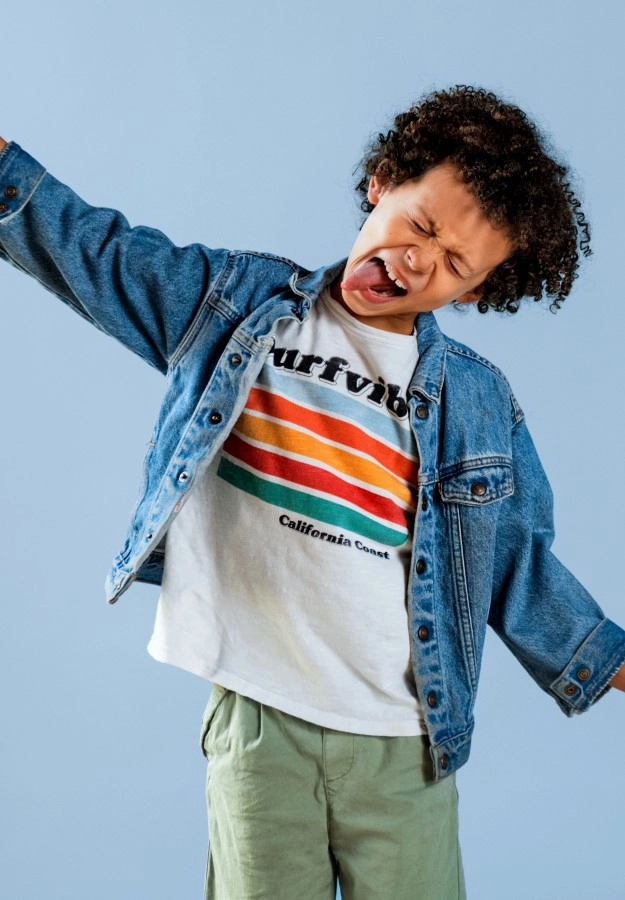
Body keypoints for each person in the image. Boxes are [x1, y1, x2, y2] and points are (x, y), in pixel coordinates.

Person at [1, 85, 623, 900]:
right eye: (419, 225)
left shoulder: (477, 403)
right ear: (381, 181)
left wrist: (608, 663)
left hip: (405, 745)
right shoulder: (230, 306)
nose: (415, 261)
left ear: (473, 293)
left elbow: (518, 566)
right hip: (261, 730)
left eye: (452, 264)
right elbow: (100, 253)